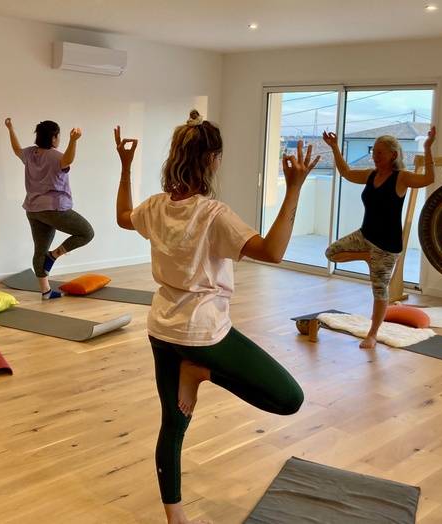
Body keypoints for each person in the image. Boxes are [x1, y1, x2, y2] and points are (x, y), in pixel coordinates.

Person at [114, 110, 316, 524]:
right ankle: (202, 373)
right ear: (213, 161)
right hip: (202, 333)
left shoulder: (154, 207)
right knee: (289, 399)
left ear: (174, 156)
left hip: (161, 327)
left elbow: (121, 218)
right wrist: (294, 188)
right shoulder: (213, 214)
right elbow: (273, 252)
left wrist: (126, 166)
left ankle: (177, 520)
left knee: (173, 424)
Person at [321, 126, 436, 349]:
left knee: (379, 290)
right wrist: (335, 147)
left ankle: (372, 334)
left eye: (380, 153)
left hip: (386, 246)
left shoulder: (401, 178)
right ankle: (366, 256)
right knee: (331, 253)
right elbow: (345, 172)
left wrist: (428, 148)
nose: (375, 156)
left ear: (393, 154)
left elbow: (429, 179)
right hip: (364, 236)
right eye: (373, 152)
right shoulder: (370, 175)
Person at [5, 117, 94, 298]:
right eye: (58, 136)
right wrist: (73, 140)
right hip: (53, 209)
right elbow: (68, 160)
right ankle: (53, 255)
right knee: (87, 233)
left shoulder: (30, 153)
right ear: (54, 138)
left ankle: (45, 291)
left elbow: (16, 150)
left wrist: (10, 128)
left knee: (39, 249)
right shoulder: (53, 155)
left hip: (33, 210)